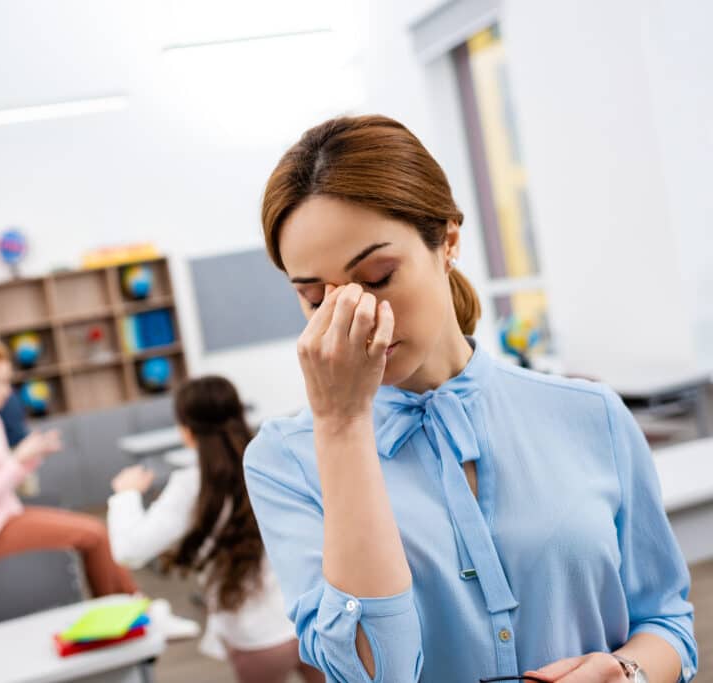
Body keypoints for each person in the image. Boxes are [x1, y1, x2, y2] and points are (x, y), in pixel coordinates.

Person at [243, 115, 697, 683]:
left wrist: (627, 674)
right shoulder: (284, 461)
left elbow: (666, 619)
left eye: (379, 277)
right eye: (316, 299)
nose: (360, 322)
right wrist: (342, 425)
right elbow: (371, 675)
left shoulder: (592, 416)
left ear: (449, 241)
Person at [107, 377, 322, 683]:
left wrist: (125, 494)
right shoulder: (277, 460)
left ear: (186, 431)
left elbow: (128, 551)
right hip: (313, 621)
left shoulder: (190, 487)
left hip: (257, 640)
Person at [0, 341, 137, 597]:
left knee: (95, 531)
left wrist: (32, 455)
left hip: (7, 516)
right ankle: (129, 610)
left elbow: (4, 478)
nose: (8, 391)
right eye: (0, 382)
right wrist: (20, 457)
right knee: (94, 534)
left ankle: (136, 604)